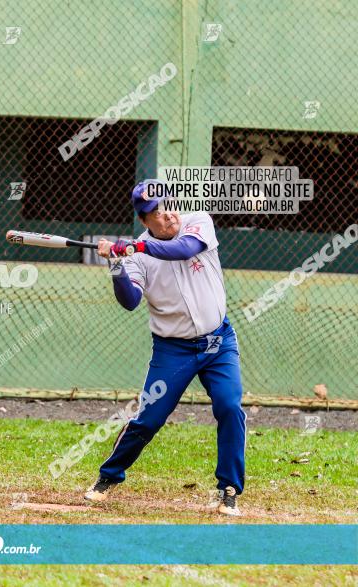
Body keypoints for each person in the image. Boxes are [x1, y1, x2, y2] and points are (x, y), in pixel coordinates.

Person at [84, 180, 246, 516]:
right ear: (143, 221)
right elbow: (130, 301)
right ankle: (108, 476)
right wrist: (116, 265)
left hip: (218, 341)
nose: (165, 213)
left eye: (166, 203)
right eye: (154, 212)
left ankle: (228, 488)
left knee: (230, 407)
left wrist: (134, 249)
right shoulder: (137, 257)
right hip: (173, 349)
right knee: (149, 419)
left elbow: (183, 250)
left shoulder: (197, 222)